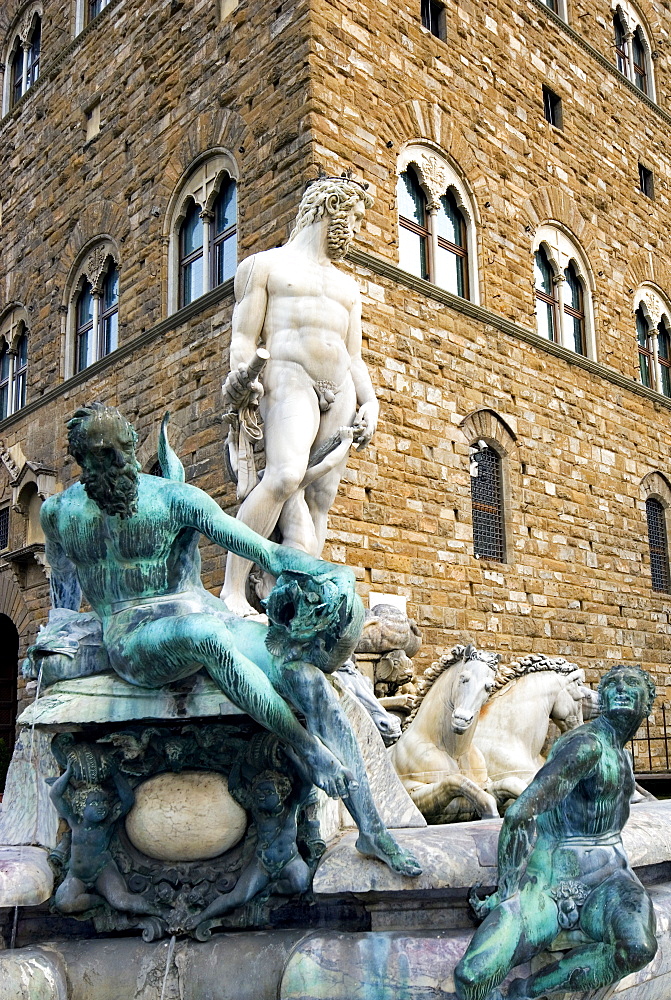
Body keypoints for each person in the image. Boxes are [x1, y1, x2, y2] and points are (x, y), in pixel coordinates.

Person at [41, 402, 420, 877]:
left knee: (308, 680)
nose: (118, 464)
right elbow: (63, 593)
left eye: (121, 452)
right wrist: (60, 638)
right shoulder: (58, 514)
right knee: (202, 636)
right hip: (133, 636)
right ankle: (304, 747)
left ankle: (372, 830)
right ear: (84, 461)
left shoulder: (174, 498)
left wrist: (327, 573)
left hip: (203, 613)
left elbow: (261, 549)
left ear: (134, 448)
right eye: (103, 457)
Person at [220, 173, 379, 618]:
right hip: (288, 377)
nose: (357, 231)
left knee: (319, 501)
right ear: (332, 209)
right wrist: (242, 377)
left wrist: (371, 402)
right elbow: (243, 337)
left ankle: (300, 602)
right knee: (285, 476)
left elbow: (354, 357)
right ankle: (232, 589)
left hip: (341, 390)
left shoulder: (349, 288)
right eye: (355, 219)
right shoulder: (264, 266)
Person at [454, 664, 658, 1000]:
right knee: (472, 976)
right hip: (549, 881)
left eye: (632, 684)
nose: (621, 689)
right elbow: (519, 812)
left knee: (637, 947)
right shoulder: (587, 746)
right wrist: (505, 889)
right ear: (602, 700)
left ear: (647, 704)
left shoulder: (621, 753)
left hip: (610, 880)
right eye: (613, 684)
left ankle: (528, 991)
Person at [49, 762, 159, 917]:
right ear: (81, 807)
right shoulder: (74, 821)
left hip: (103, 871)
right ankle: (100, 902)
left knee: (121, 901)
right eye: (94, 803)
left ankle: (158, 912)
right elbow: (55, 795)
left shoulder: (106, 823)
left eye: (103, 802)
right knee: (64, 903)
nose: (101, 806)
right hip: (76, 875)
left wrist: (115, 774)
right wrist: (69, 772)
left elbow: (127, 800)